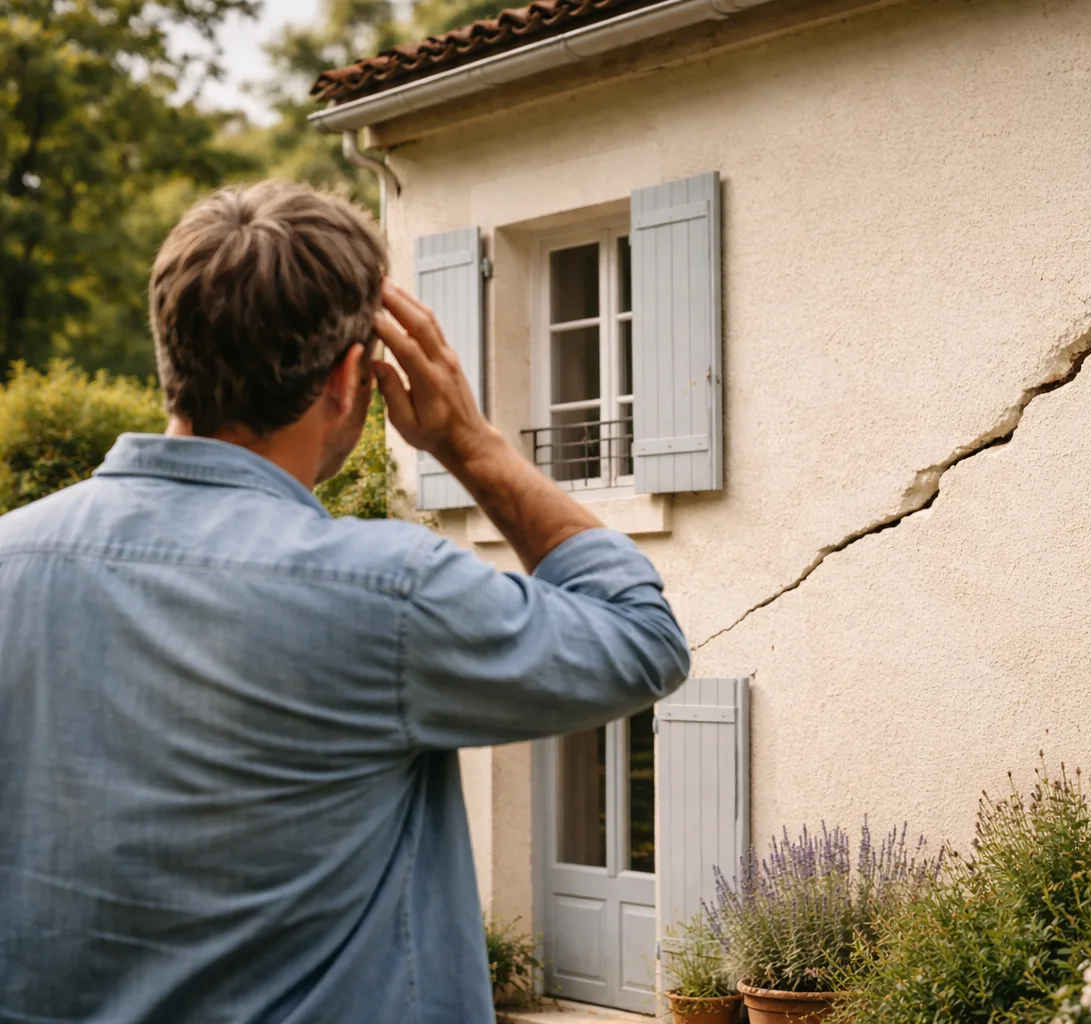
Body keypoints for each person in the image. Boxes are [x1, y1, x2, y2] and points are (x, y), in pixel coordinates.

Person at [0, 181, 690, 1022]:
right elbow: (641, 636)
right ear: (349, 378)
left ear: (170, 351)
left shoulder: (10, 559)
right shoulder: (384, 592)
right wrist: (469, 442)